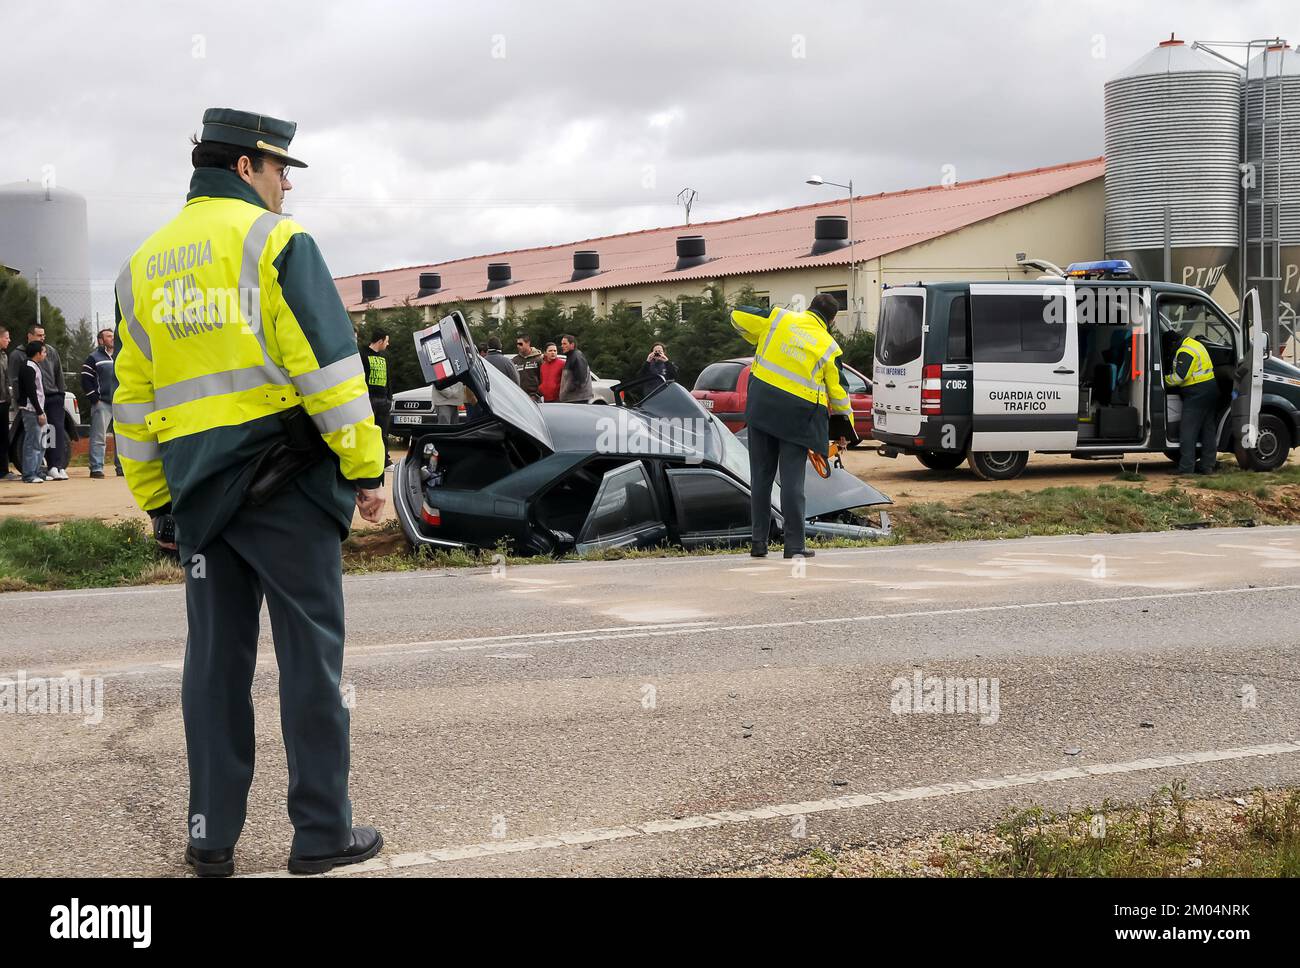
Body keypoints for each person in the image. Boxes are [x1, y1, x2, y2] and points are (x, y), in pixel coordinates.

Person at [113, 108, 387, 877]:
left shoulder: (140, 268)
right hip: (289, 489)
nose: (286, 186)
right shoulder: (276, 243)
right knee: (309, 660)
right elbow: (331, 370)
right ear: (244, 168)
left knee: (213, 668)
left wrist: (159, 502)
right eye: (279, 171)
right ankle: (322, 833)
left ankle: (210, 838)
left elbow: (132, 405)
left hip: (201, 500)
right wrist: (365, 468)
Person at [730, 293, 856, 559]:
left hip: (762, 409)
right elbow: (839, 394)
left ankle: (758, 544)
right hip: (797, 420)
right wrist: (844, 432)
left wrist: (757, 335)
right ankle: (794, 546)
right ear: (831, 320)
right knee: (791, 483)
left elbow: (738, 315)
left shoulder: (778, 319)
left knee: (761, 479)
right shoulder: (828, 346)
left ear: (809, 306)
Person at [8, 324, 66, 479]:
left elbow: (58, 373)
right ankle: (31, 472)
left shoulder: (50, 353)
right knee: (33, 439)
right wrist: (25, 405)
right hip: (33, 405)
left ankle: (54, 465)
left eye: (44, 335)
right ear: (29, 336)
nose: (43, 338)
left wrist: (61, 394)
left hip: (52, 398)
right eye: (39, 335)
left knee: (51, 434)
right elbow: (23, 386)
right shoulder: (22, 359)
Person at [1163, 329, 1220, 475]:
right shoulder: (1194, 343)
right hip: (1210, 388)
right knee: (1208, 429)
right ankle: (1207, 466)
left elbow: (1180, 377)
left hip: (1197, 393)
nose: (1170, 350)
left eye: (1169, 347)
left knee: (1188, 430)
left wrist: (1163, 381)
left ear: (1173, 343)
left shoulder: (1185, 351)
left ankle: (1186, 468)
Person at [81, 328, 124, 478]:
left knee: (122, 437)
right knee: (99, 437)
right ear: (101, 340)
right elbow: (85, 378)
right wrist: (94, 399)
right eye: (108, 336)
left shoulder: (121, 355)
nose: (112, 338)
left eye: (113, 336)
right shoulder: (94, 358)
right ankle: (96, 468)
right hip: (103, 403)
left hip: (119, 402)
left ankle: (121, 467)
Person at [16, 341, 50, 484]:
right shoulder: (28, 367)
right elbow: (31, 392)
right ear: (37, 353)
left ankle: (37, 471)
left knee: (42, 441)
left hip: (38, 409)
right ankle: (29, 474)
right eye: (44, 351)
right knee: (32, 441)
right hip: (31, 410)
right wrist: (39, 412)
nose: (45, 354)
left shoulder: (35, 366)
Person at [360, 329, 392, 467]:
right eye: (386, 341)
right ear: (380, 341)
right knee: (367, 433)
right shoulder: (363, 355)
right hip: (368, 400)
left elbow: (389, 378)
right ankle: (367, 461)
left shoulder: (385, 357)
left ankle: (385, 460)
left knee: (383, 432)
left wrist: (389, 398)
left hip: (383, 400)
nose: (388, 343)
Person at [0, 325, 16, 481]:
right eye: (6, 337)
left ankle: (3, 471)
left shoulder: (4, 356)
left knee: (4, 437)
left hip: (3, 402)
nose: (9, 340)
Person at [558, 333, 592, 402]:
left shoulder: (576, 356)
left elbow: (581, 379)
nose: (562, 346)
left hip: (577, 399)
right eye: (562, 344)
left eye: (564, 344)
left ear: (572, 345)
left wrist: (568, 390)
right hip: (574, 398)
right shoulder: (571, 356)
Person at [512, 333, 544, 401]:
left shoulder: (538, 359)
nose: (518, 346)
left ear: (528, 343)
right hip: (519, 398)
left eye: (521, 344)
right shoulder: (514, 361)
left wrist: (537, 395)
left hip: (534, 398)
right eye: (517, 344)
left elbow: (544, 380)